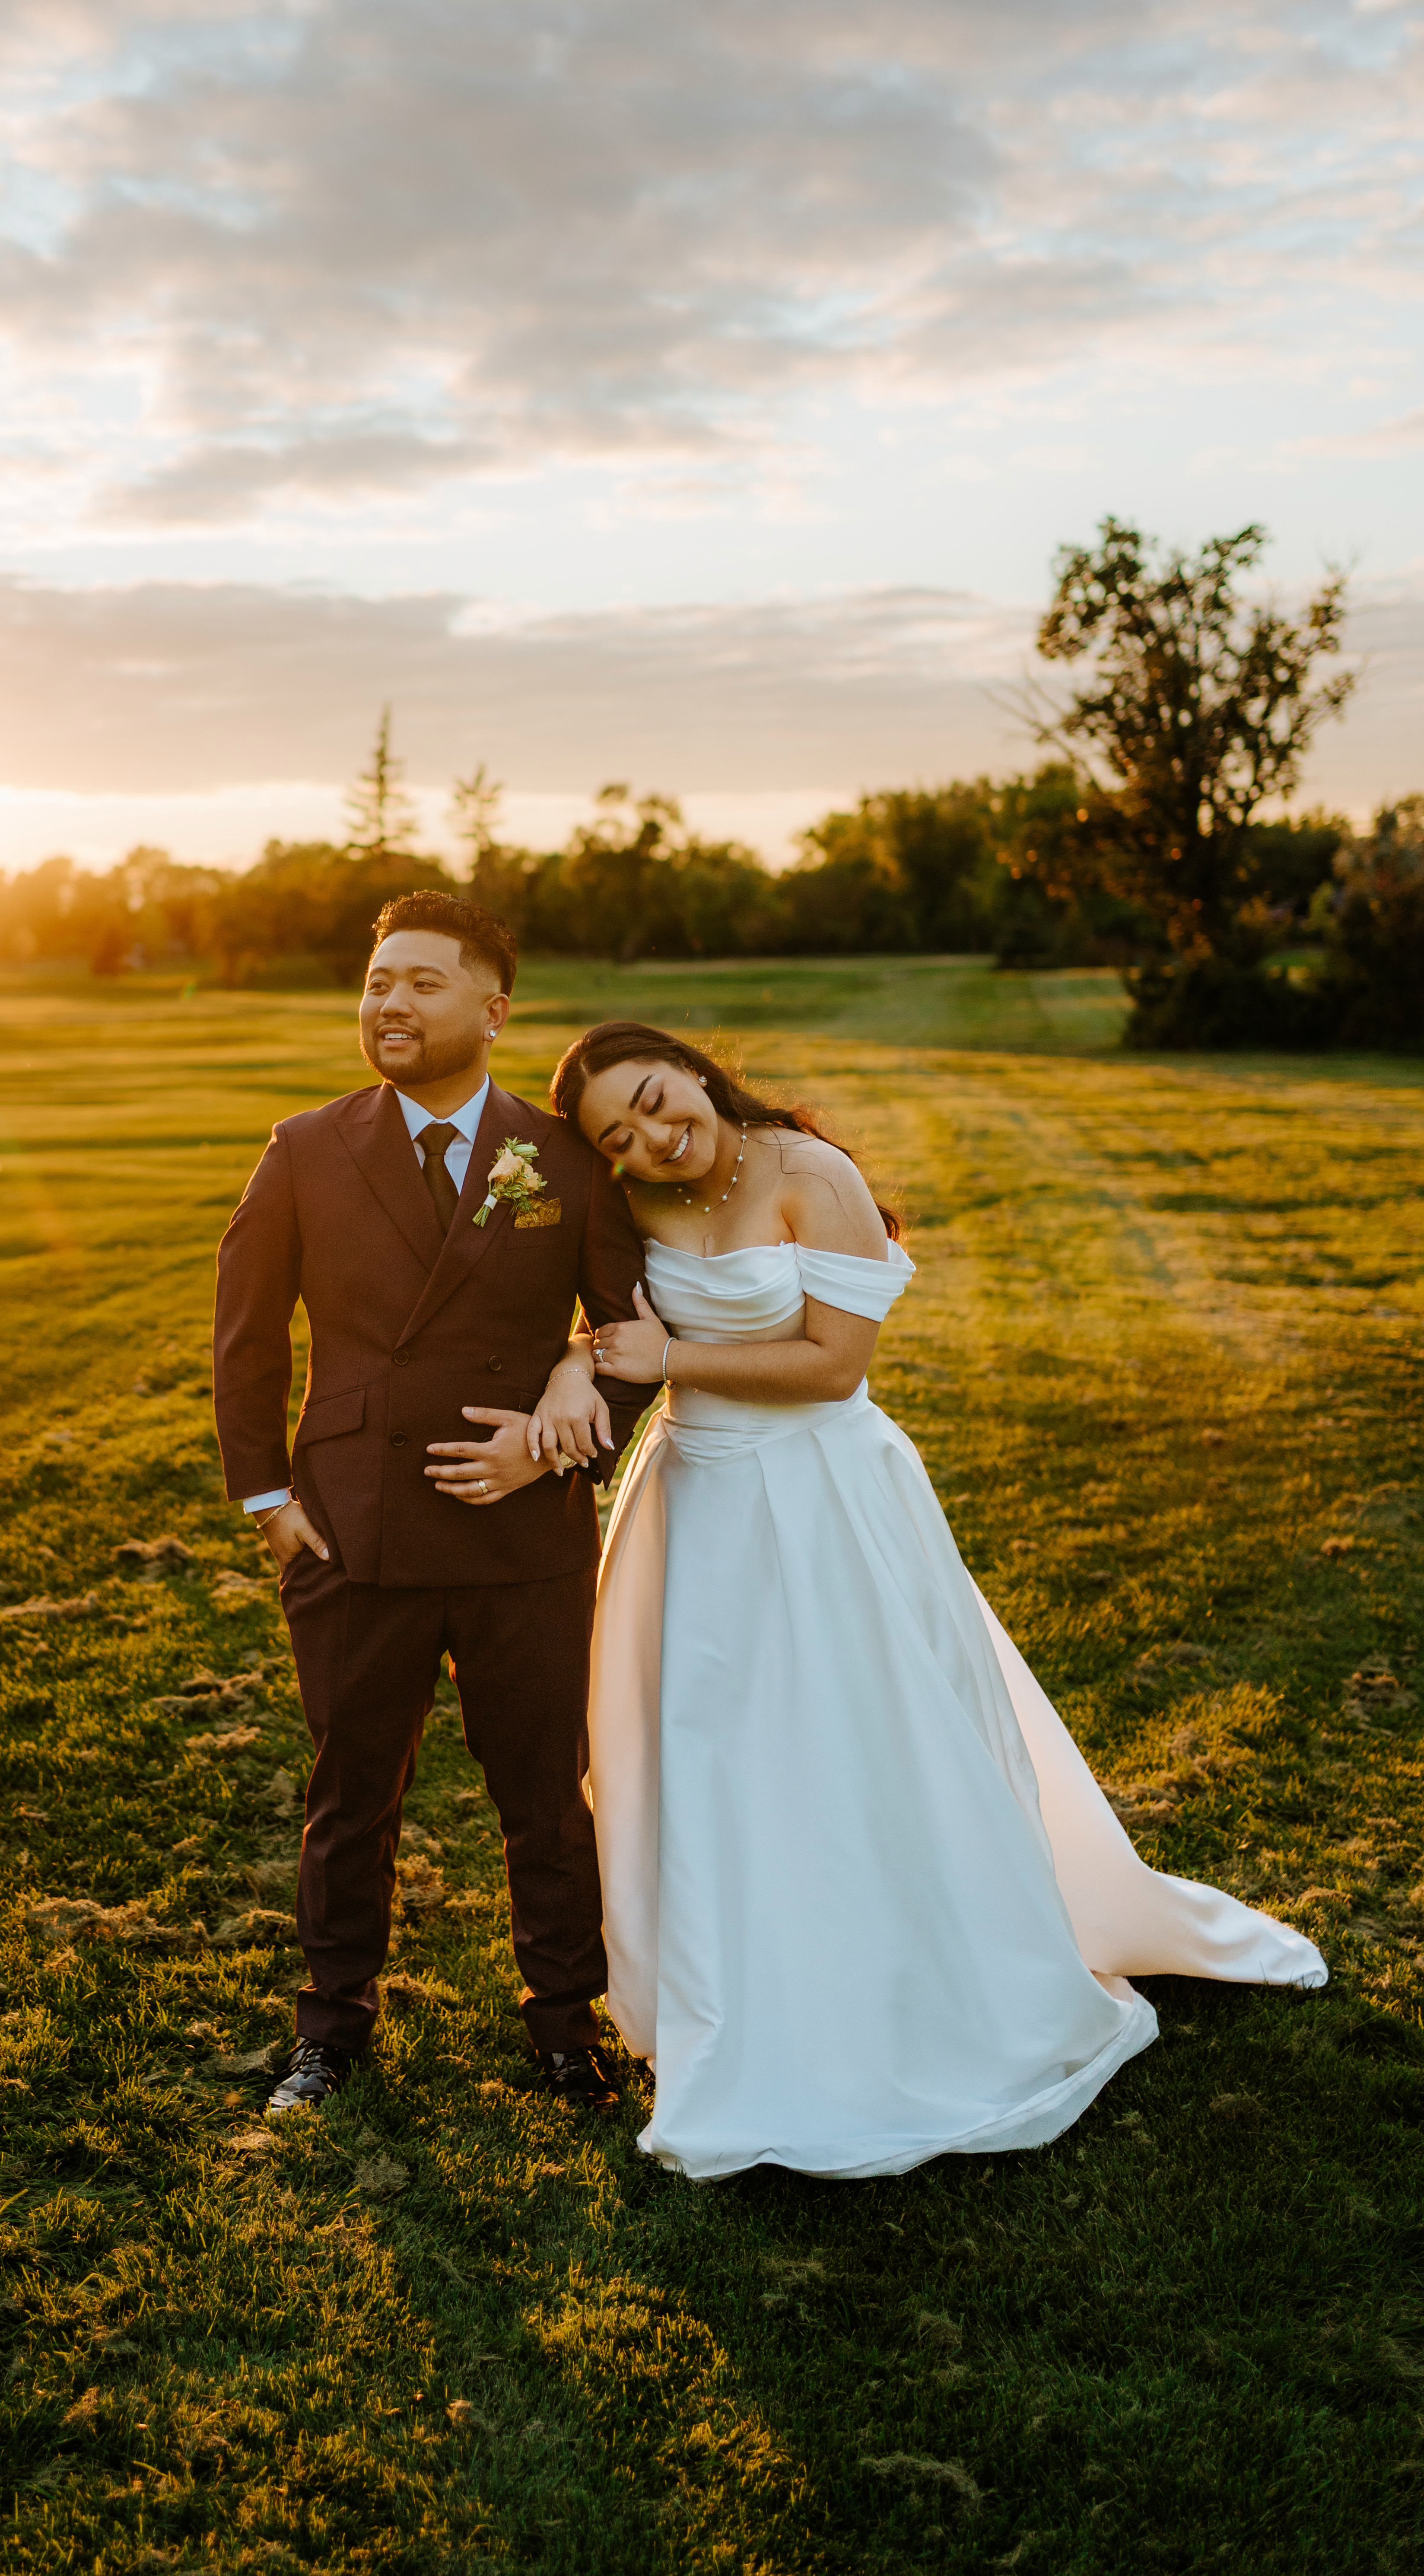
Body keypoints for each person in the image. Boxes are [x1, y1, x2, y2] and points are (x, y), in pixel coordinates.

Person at [530, 1021, 1325, 2182]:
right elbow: (597, 1329)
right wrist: (572, 1366)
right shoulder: (630, 1203)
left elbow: (831, 1365)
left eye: (656, 1099)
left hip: (820, 1496)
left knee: (863, 1737)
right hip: (690, 1501)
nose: (653, 1137)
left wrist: (674, 1366)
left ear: (696, 1071)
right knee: (710, 1748)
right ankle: (739, 1987)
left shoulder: (812, 1176)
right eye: (620, 1138)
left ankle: (916, 1984)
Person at [212, 897, 660, 2117]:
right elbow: (246, 1339)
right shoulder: (302, 1148)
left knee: (543, 1792)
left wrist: (566, 1428)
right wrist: (268, 1501)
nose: (390, 1005)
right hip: (352, 1528)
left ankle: (566, 2028)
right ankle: (331, 2026)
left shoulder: (564, 1157)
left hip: (525, 1530)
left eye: (420, 983)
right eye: (375, 984)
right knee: (351, 1791)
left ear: (493, 1011)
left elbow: (631, 1336)